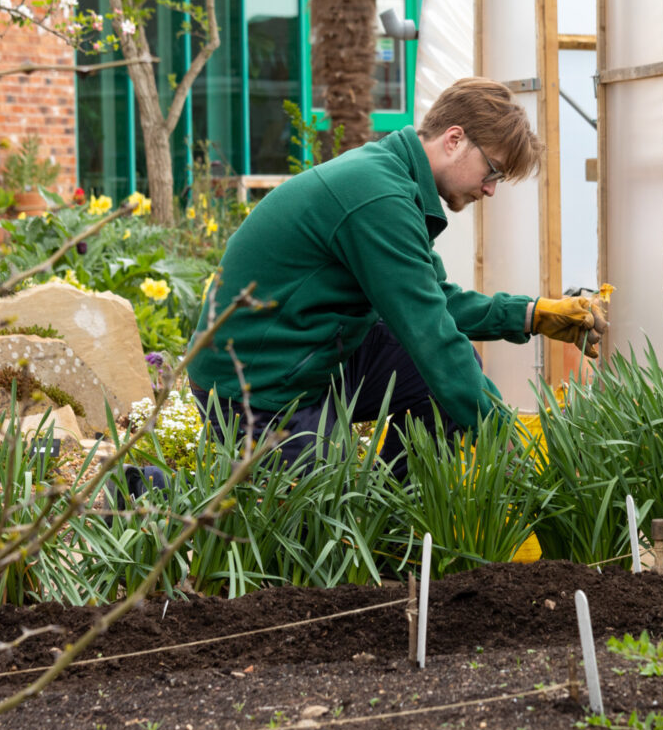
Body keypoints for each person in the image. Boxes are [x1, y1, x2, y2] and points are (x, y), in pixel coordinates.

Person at [188, 77, 608, 475]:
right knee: (310, 530)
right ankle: (137, 491)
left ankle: (388, 513)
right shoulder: (379, 196)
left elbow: (436, 301)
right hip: (256, 383)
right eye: (493, 170)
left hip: (308, 352)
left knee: (434, 378)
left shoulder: (393, 179)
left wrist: (532, 315)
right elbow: (430, 334)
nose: (491, 189)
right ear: (455, 139)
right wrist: (506, 438)